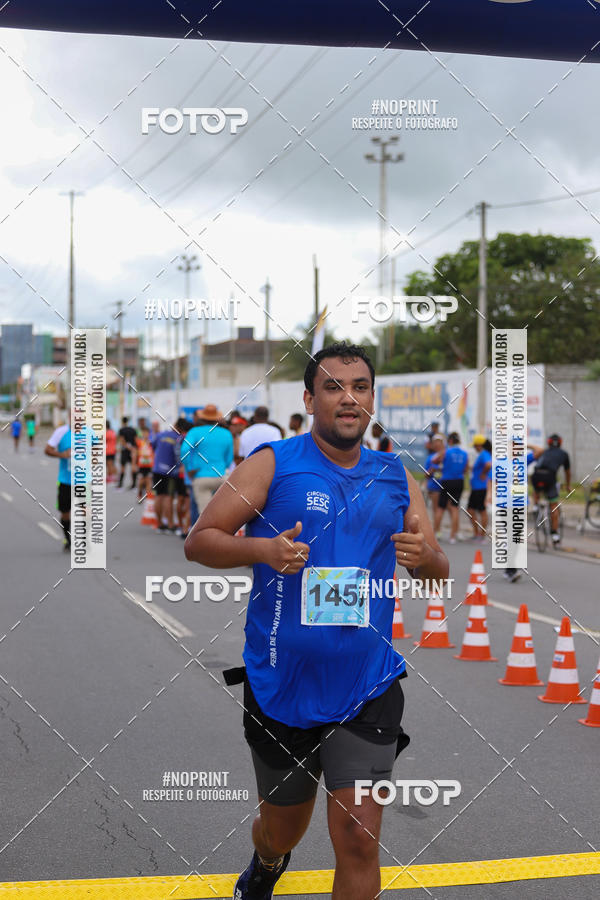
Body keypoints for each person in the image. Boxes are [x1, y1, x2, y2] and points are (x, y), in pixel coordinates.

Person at [185, 342, 448, 900]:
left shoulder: (397, 477)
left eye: (360, 387)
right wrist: (263, 551)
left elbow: (437, 572)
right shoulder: (273, 464)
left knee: (357, 837)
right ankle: (266, 863)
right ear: (310, 399)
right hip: (281, 683)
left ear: (372, 399)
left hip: (366, 684)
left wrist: (426, 559)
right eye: (333, 387)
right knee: (282, 829)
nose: (348, 398)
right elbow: (199, 543)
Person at [180, 404, 233, 517]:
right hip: (221, 476)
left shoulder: (194, 431)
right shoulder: (226, 433)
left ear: (202, 417)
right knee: (221, 514)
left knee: (204, 516)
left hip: (201, 476)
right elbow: (229, 458)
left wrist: (189, 468)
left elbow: (184, 450)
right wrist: (222, 466)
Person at [530, 434, 571, 545]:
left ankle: (536, 506)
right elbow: (567, 472)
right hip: (550, 477)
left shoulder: (544, 452)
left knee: (536, 487)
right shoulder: (564, 454)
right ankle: (554, 534)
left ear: (548, 443)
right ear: (560, 443)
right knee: (554, 505)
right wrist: (568, 486)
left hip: (536, 475)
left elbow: (537, 459)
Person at [432, 432, 469, 544]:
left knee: (440, 507)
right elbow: (466, 469)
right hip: (459, 481)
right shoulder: (464, 453)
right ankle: (453, 536)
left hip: (447, 480)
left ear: (450, 441)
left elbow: (434, 460)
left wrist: (444, 465)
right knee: (454, 508)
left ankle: (436, 533)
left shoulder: (446, 452)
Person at [151, 418, 187, 533]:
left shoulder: (161, 434)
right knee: (168, 497)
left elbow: (152, 446)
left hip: (156, 469)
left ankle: (160, 523)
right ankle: (171, 524)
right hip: (170, 471)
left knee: (159, 495)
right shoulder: (179, 438)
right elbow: (180, 456)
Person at [44, 418, 72, 550]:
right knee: (65, 512)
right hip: (65, 481)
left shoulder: (90, 432)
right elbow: (48, 450)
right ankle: (68, 539)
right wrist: (62, 454)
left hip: (84, 481)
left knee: (86, 512)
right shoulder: (61, 432)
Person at [467, 435, 492, 541]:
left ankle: (481, 535)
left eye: (475, 446)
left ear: (479, 445)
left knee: (481, 511)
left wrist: (483, 474)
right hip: (477, 487)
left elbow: (488, 465)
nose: (474, 448)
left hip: (480, 487)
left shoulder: (484, 454)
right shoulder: (482, 454)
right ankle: (477, 533)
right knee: (471, 510)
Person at [425, 434, 445, 517]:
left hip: (446, 486)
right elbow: (426, 475)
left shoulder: (446, 455)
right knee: (436, 509)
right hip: (434, 487)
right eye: (435, 442)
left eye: (439, 442)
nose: (437, 444)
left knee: (451, 509)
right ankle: (437, 529)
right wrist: (432, 470)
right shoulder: (430, 458)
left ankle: (453, 529)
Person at [117, 416, 138, 490]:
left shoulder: (121, 430)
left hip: (125, 450)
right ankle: (134, 485)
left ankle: (120, 484)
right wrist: (133, 448)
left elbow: (122, 441)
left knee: (123, 467)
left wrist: (127, 447)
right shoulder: (133, 429)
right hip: (133, 450)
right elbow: (136, 440)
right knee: (133, 466)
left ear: (122, 422)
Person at [136, 426, 154, 502]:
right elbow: (136, 452)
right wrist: (134, 463)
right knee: (141, 481)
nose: (145, 434)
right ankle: (140, 494)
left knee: (148, 481)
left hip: (149, 465)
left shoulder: (151, 442)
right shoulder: (140, 442)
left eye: (146, 433)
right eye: (144, 433)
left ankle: (147, 498)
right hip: (141, 465)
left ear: (149, 434)